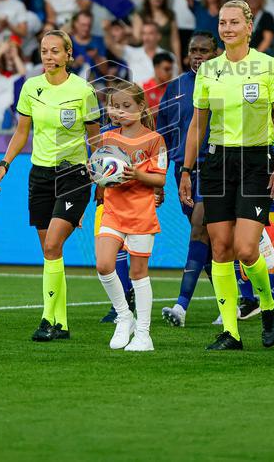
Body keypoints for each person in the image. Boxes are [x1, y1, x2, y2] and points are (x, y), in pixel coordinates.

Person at [178, 0, 274, 351]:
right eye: (222, 23)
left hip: (256, 161)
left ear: (249, 27)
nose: (227, 28)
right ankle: (231, 332)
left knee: (245, 248)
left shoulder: (268, 65)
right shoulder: (208, 70)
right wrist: (186, 170)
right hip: (216, 163)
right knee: (221, 249)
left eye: (233, 22)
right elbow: (198, 124)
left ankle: (268, 305)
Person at [0, 30, 101, 341]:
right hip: (39, 176)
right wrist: (4, 164)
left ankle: (47, 320)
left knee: (52, 246)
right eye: (44, 50)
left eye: (55, 51)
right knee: (51, 252)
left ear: (68, 54)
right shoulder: (31, 87)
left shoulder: (83, 91)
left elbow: (95, 139)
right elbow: (21, 132)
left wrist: (101, 181)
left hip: (74, 175)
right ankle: (62, 323)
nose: (49, 56)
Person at [95, 81, 168, 352]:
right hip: (113, 211)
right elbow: (100, 174)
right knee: (104, 265)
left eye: (126, 106)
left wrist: (137, 174)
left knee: (138, 274)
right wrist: (98, 176)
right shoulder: (106, 139)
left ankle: (144, 335)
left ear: (141, 107)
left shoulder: (155, 139)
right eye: (115, 106)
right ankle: (125, 316)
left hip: (140, 214)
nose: (119, 111)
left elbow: (160, 179)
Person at [158, 33, 219, 327]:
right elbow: (163, 134)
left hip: (213, 167)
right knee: (207, 241)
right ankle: (239, 299)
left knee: (199, 229)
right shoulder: (176, 87)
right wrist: (162, 173)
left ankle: (181, 305)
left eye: (204, 50)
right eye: (193, 50)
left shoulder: (223, 83)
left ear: (216, 54)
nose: (198, 55)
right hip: (182, 170)